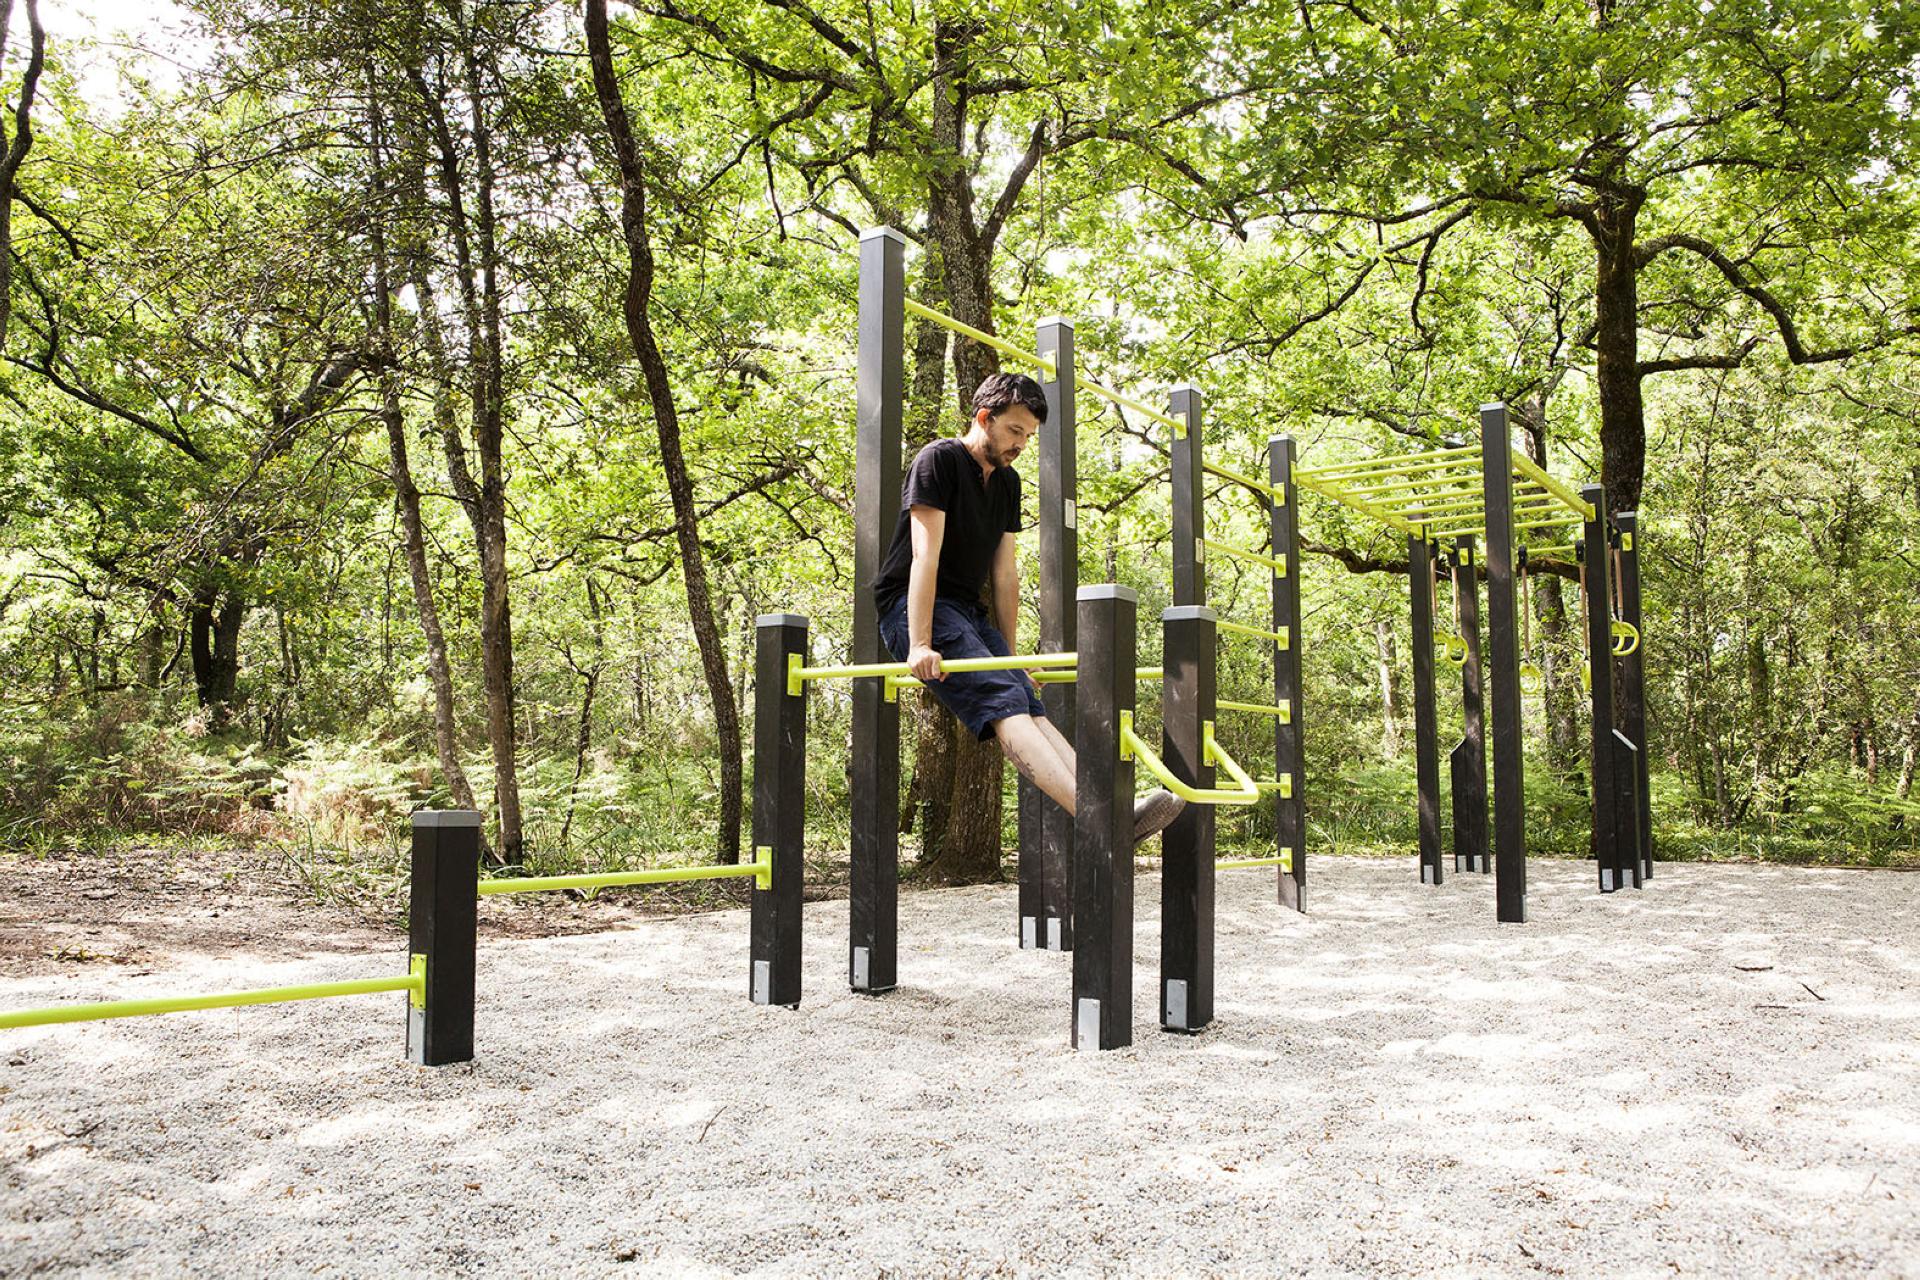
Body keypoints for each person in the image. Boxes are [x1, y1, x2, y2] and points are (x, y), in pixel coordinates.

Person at [872, 372, 1185, 843]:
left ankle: (1110, 807)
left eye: (1029, 435)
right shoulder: (938, 460)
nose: (1021, 444)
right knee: (1003, 701)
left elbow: (1005, 575)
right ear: (984, 418)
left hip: (966, 612)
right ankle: (1102, 819)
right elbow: (924, 556)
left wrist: (1012, 657)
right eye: (1014, 430)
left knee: (1025, 699)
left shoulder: (1007, 483)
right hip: (912, 607)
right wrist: (919, 643)